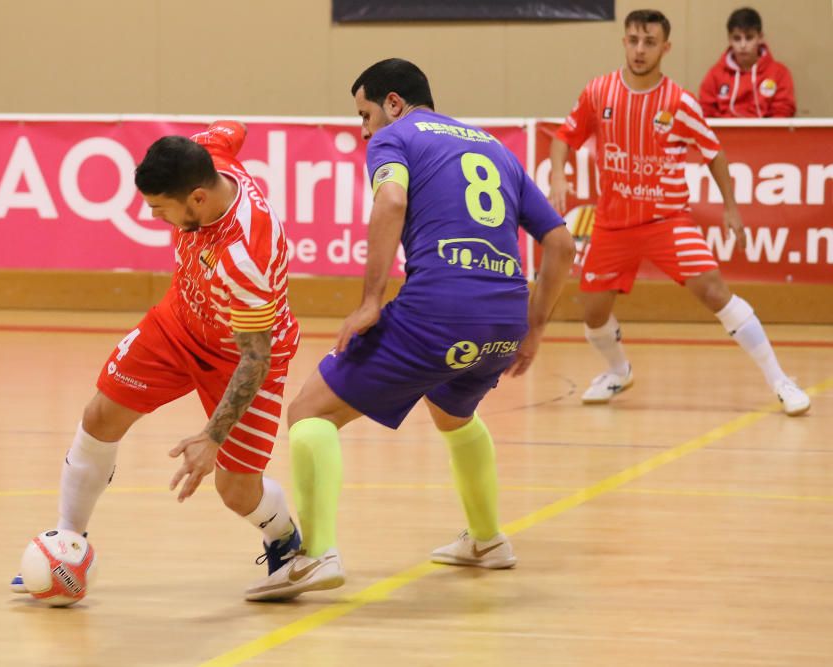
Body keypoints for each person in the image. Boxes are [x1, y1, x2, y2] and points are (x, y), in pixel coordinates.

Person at [243, 58, 576, 602]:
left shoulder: (396, 137)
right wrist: (533, 328)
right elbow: (560, 244)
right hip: (504, 318)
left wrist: (371, 300)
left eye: (365, 113)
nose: (365, 129)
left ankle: (316, 553)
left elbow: (392, 199)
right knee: (453, 411)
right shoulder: (495, 147)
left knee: (309, 412)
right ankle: (488, 540)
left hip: (439, 309)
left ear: (393, 103)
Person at [10, 121, 304, 600]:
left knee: (235, 491)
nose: (154, 217)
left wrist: (212, 437)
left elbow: (256, 356)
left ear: (197, 200)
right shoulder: (207, 158)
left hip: (240, 355)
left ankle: (284, 538)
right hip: (179, 322)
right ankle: (68, 543)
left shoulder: (243, 253)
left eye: (159, 209)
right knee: (99, 415)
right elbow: (233, 129)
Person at [547, 10, 809, 415]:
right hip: (613, 226)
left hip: (666, 221)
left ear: (665, 48)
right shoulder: (599, 93)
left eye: (649, 42)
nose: (639, 49)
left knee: (714, 292)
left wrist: (731, 208)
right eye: (633, 40)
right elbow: (564, 138)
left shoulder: (679, 102)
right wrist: (559, 180)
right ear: (623, 42)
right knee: (593, 313)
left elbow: (714, 152)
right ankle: (618, 371)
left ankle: (781, 381)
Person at [699, 7, 795, 118]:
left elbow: (783, 112)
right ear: (729, 40)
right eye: (737, 38)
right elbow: (705, 112)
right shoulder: (715, 74)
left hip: (767, 134)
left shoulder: (779, 73)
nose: (743, 45)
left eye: (749, 38)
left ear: (760, 38)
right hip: (725, 134)